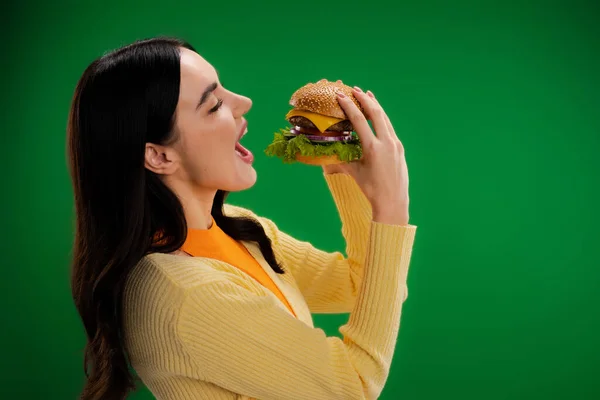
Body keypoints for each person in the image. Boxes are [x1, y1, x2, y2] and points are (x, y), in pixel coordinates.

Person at [67, 36, 417, 400]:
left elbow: (362, 286)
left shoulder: (239, 228)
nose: (243, 103)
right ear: (158, 156)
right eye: (214, 104)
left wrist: (339, 168)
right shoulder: (186, 294)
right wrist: (391, 210)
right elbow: (353, 387)